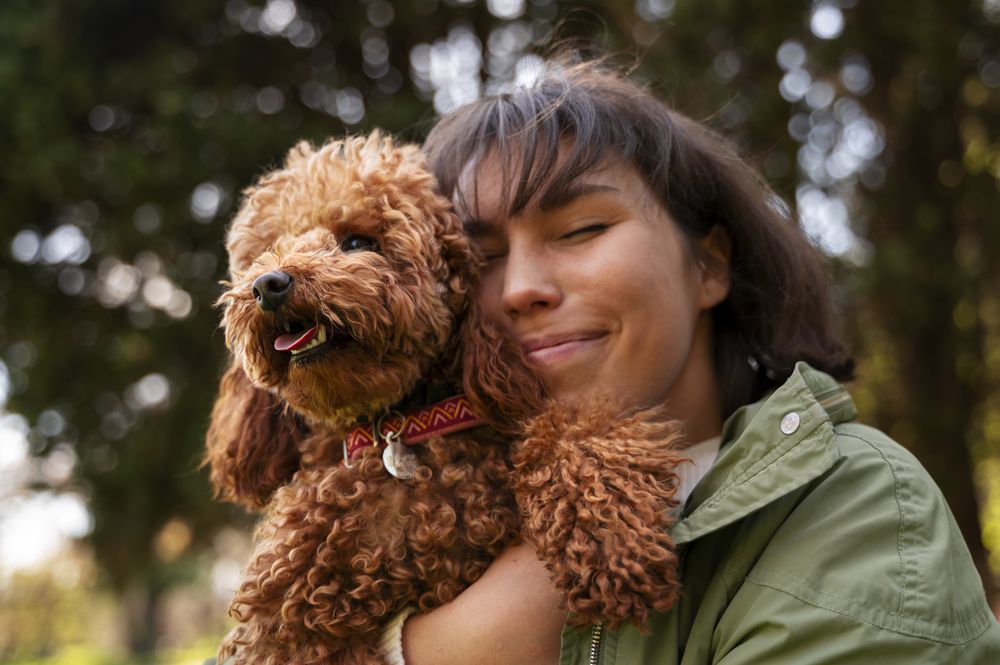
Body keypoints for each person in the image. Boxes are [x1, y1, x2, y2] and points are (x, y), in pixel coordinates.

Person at [379, 58, 1000, 664]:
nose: (519, 288)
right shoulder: (412, 523)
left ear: (709, 265)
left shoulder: (852, 505)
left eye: (580, 230)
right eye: (480, 257)